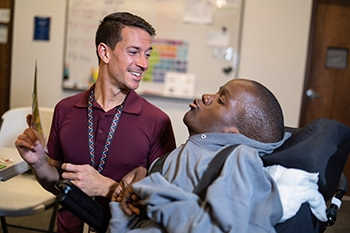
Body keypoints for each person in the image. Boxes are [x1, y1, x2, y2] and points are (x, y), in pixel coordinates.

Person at [15, 12, 176, 232]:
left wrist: (107, 188)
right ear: (104, 52)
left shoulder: (157, 122)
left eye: (147, 54)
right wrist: (39, 163)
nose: (143, 63)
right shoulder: (65, 109)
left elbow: (163, 205)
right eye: (133, 52)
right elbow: (57, 184)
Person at [108, 78, 326, 233]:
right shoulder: (174, 157)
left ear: (231, 133)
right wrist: (142, 179)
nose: (207, 96)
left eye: (221, 100)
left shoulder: (240, 159)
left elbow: (229, 227)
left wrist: (149, 193)